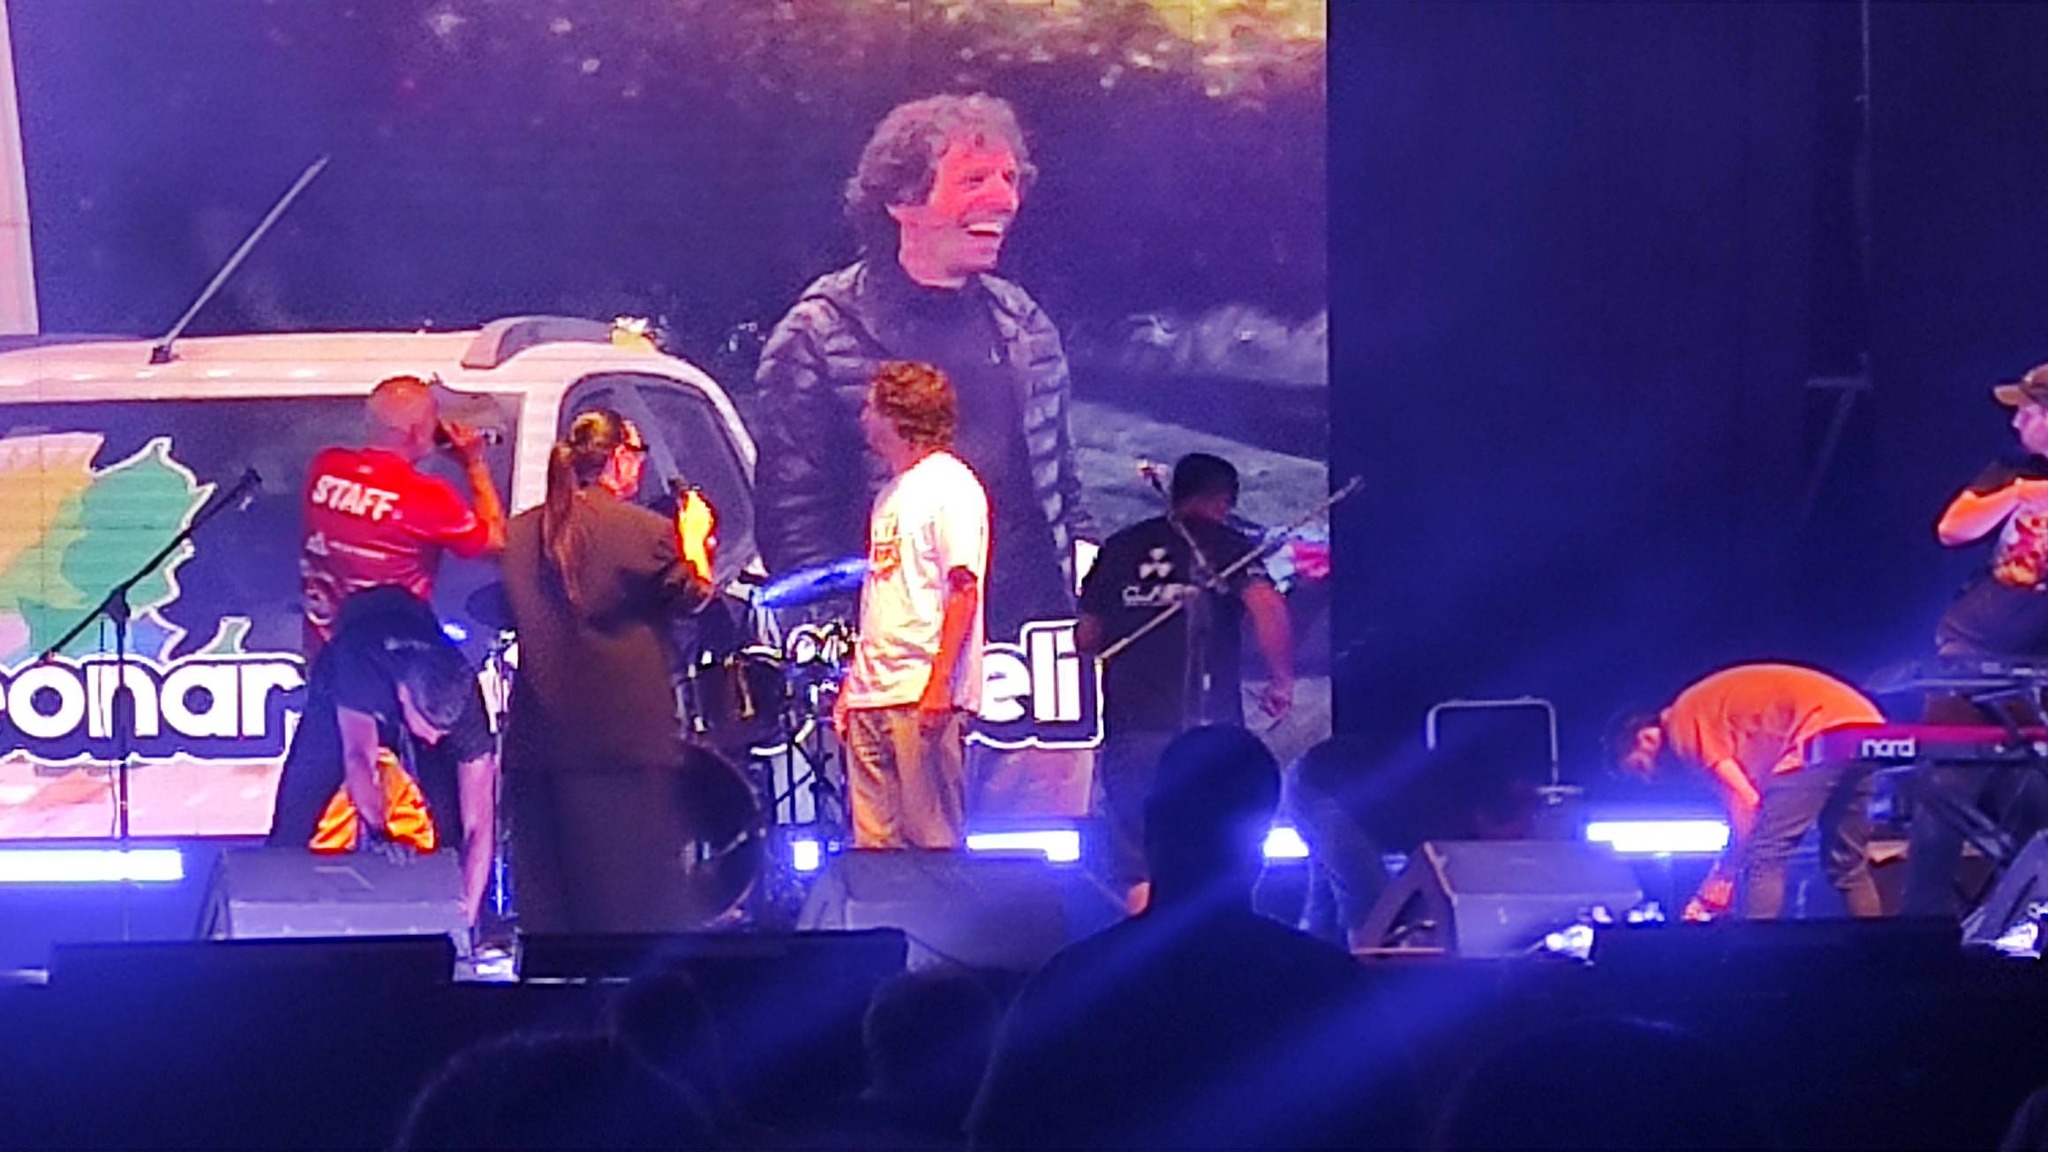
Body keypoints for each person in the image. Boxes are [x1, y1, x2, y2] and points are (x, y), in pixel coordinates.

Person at [968, 726, 1416, 1150]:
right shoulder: (1328, 985)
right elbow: (1397, 1133)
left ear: (1150, 825)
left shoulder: (1068, 985)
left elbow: (997, 1138)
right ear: (1262, 840)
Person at [753, 92, 1088, 640]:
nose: (1004, 199)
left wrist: (1086, 610)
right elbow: (795, 525)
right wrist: (842, 645)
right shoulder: (818, 334)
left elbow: (1062, 490)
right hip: (895, 653)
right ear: (902, 201)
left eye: (1009, 179)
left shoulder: (1025, 326)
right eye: (975, 180)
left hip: (1028, 644)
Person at [499, 409, 716, 934]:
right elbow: (695, 596)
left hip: (538, 749)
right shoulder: (644, 533)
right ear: (618, 457)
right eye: (637, 455)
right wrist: (694, 539)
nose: (641, 467)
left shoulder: (520, 533)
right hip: (622, 753)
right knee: (632, 913)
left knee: (551, 913)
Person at [1075, 452, 1293, 909]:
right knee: (1222, 854)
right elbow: (1268, 606)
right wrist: (1281, 681)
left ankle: (1148, 947)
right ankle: (1221, 942)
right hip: (1210, 735)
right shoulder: (1227, 545)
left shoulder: (1119, 547)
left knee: (1141, 863)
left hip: (1134, 728)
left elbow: (1087, 636)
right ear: (1222, 500)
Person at [265, 585, 498, 927]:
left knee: (446, 823)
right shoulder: (358, 664)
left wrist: (466, 919)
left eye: (443, 732)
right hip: (349, 680)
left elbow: (480, 825)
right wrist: (380, 833)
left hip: (415, 637)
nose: (435, 738)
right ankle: (274, 919)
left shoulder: (465, 703)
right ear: (403, 695)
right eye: (429, 727)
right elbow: (358, 756)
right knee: (301, 813)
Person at [831, 361, 989, 849]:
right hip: (873, 693)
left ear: (898, 413)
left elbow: (963, 589)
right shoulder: (890, 494)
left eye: (870, 407)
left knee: (931, 844)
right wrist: (853, 687)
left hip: (919, 692)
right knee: (874, 848)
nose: (862, 418)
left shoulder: (950, 485)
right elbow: (885, 599)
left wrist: (938, 684)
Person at [1909, 363, 2048, 915]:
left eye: (2028, 412)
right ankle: (1920, 930)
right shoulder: (2012, 471)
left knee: (2034, 803)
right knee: (1947, 792)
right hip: (1973, 652)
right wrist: (2020, 495)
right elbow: (1953, 528)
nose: (2016, 423)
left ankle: (2023, 924)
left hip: (2039, 668)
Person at [1613, 662, 1886, 921]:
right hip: (1868, 726)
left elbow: (1746, 802)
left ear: (1646, 737)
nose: (1650, 779)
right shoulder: (1702, 711)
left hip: (1820, 732)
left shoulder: (1680, 726)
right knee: (1847, 864)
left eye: (1641, 766)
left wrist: (1722, 878)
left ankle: (1757, 949)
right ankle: (1876, 946)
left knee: (1764, 854)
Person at [299, 373, 505, 653]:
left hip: (325, 654)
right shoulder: (426, 496)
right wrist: (474, 464)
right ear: (418, 431)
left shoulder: (325, 467)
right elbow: (496, 544)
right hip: (391, 657)